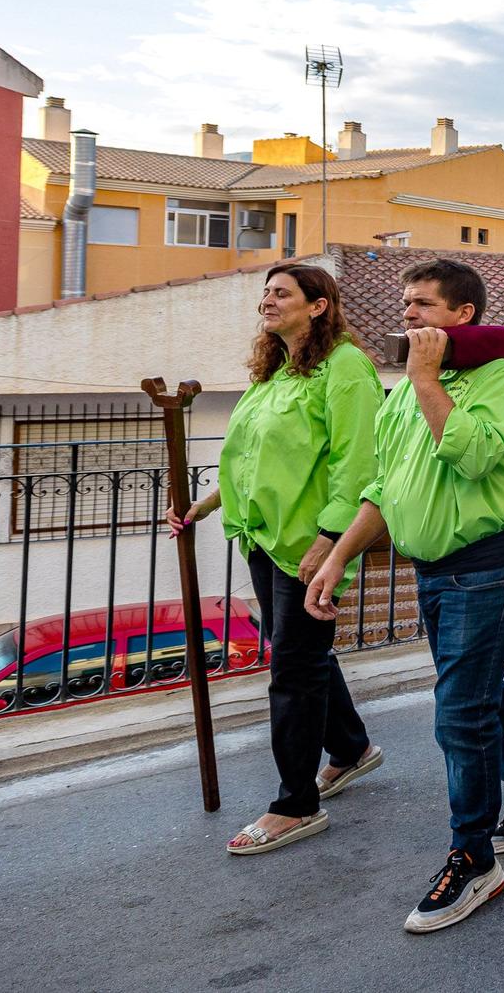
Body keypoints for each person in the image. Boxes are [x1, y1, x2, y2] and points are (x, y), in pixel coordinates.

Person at [306, 258, 504, 933]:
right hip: (434, 566)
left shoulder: (498, 379)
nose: (408, 314)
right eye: (406, 303)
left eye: (422, 304)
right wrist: (337, 555)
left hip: (491, 561)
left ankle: (473, 859)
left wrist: (426, 379)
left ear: (463, 315)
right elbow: (384, 485)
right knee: (475, 688)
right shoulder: (404, 393)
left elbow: (473, 454)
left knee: (460, 709)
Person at [170, 263, 384, 856]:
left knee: (293, 669)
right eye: (265, 292)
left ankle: (295, 805)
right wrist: (205, 505)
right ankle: (351, 749)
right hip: (263, 537)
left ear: (318, 305)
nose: (267, 300)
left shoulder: (346, 368)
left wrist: (330, 537)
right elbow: (251, 457)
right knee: (301, 653)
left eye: (281, 292)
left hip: (309, 546)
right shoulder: (276, 371)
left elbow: (358, 461)